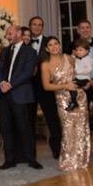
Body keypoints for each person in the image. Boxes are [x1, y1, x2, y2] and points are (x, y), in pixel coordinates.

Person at [0, 25, 41, 170]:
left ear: (19, 33)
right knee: (6, 128)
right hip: (4, 95)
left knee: (24, 127)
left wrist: (11, 84)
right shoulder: (5, 51)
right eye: (7, 34)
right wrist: (2, 82)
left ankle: (31, 158)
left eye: (10, 33)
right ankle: (9, 159)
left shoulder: (30, 51)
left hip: (20, 94)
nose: (8, 36)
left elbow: (27, 72)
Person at [41, 36, 90, 171]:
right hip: (63, 100)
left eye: (56, 43)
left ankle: (81, 160)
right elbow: (46, 86)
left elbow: (80, 74)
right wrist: (65, 86)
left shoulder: (69, 58)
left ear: (60, 45)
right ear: (47, 48)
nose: (54, 46)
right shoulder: (45, 64)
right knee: (68, 130)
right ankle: (68, 161)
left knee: (81, 128)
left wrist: (86, 83)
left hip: (79, 96)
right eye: (50, 45)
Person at [67, 20, 93, 152]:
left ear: (91, 29)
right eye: (82, 28)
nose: (85, 30)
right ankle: (82, 147)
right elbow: (69, 65)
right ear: (78, 30)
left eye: (87, 27)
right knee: (81, 116)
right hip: (80, 86)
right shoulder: (71, 45)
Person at [24, 17, 62, 159]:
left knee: (52, 119)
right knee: (29, 121)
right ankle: (30, 154)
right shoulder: (24, 42)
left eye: (40, 25)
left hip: (45, 87)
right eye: (34, 24)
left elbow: (56, 61)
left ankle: (57, 150)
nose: (37, 27)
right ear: (29, 26)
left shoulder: (49, 42)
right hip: (28, 87)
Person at [68, 39, 93, 112]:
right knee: (71, 88)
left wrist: (77, 71)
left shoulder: (88, 59)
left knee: (73, 87)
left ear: (87, 51)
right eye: (76, 50)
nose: (78, 52)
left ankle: (75, 102)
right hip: (78, 78)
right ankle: (74, 102)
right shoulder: (76, 58)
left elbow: (88, 70)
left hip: (84, 79)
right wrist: (73, 56)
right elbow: (71, 59)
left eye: (80, 50)